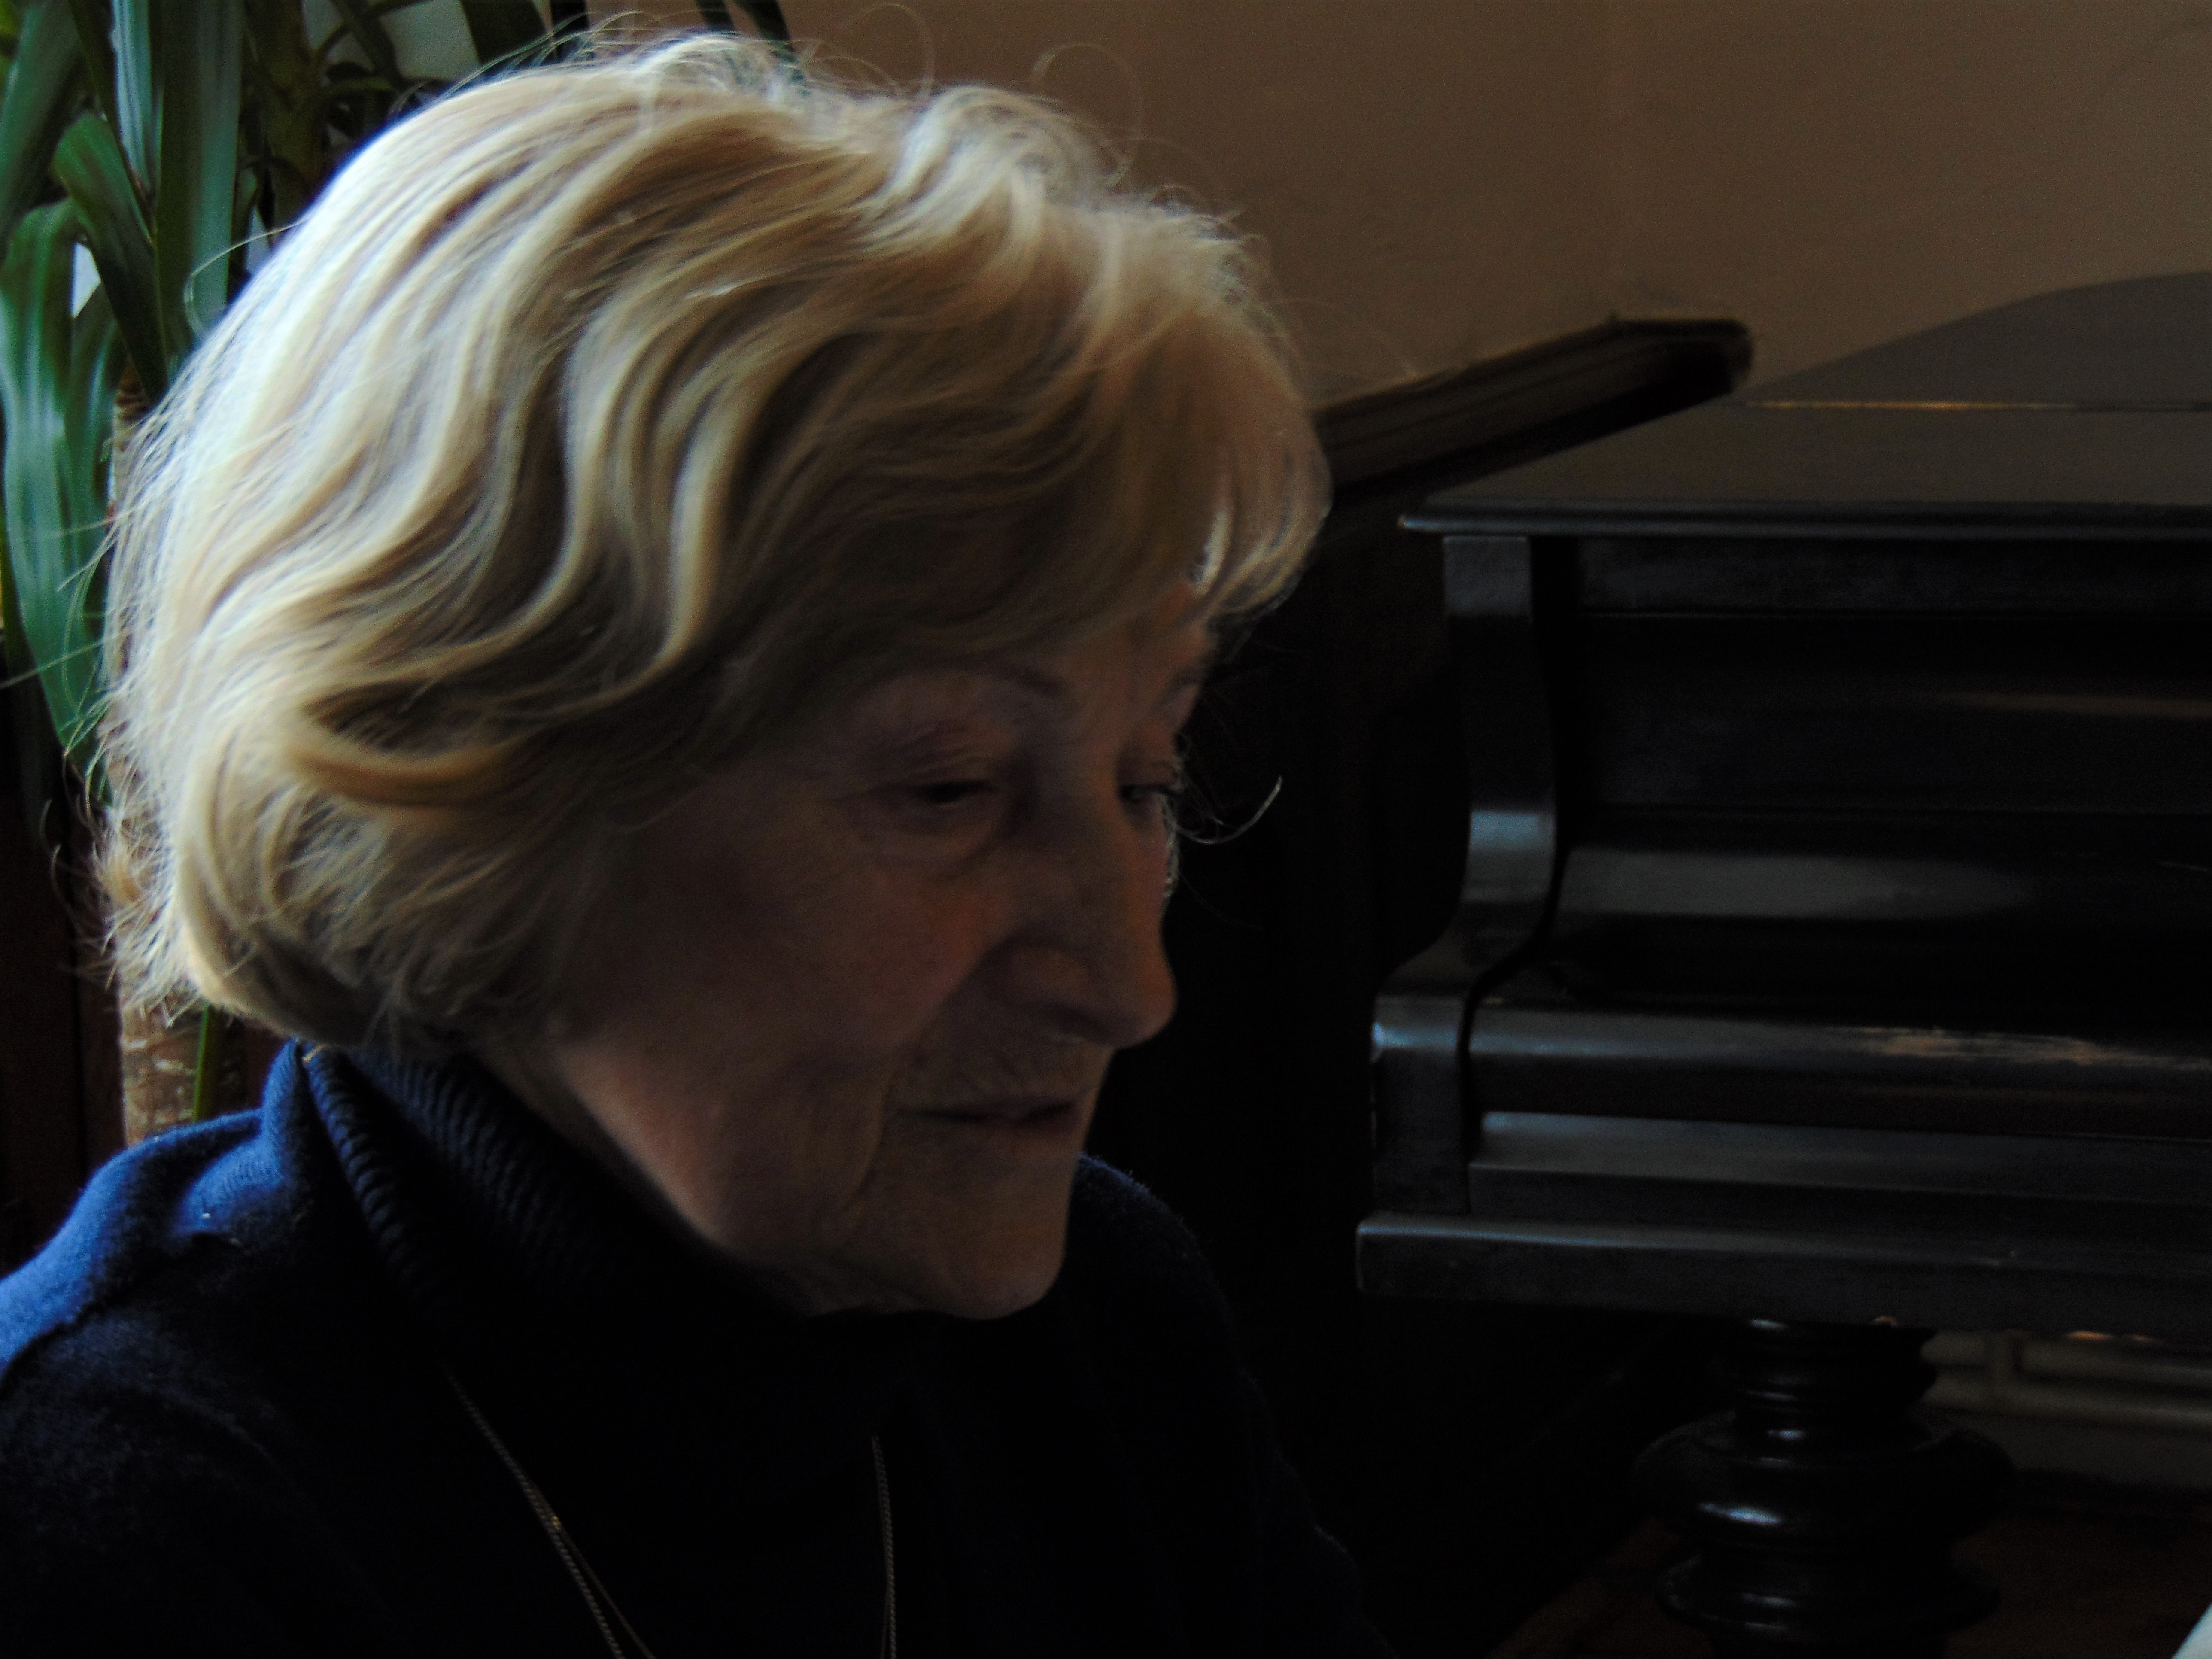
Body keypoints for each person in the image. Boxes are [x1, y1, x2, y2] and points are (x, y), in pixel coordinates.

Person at [0, 34, 1387, 1659]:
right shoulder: (105, 1531)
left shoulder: (1099, 1331)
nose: (1128, 983)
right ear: (476, 811)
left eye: (1145, 777)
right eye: (948, 791)